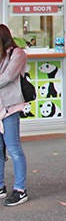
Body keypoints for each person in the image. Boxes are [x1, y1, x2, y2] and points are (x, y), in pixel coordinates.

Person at [0, 24, 29, 206]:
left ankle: (20, 189)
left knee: (14, 150)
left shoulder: (17, 54)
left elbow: (9, 76)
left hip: (10, 107)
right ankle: (0, 185)